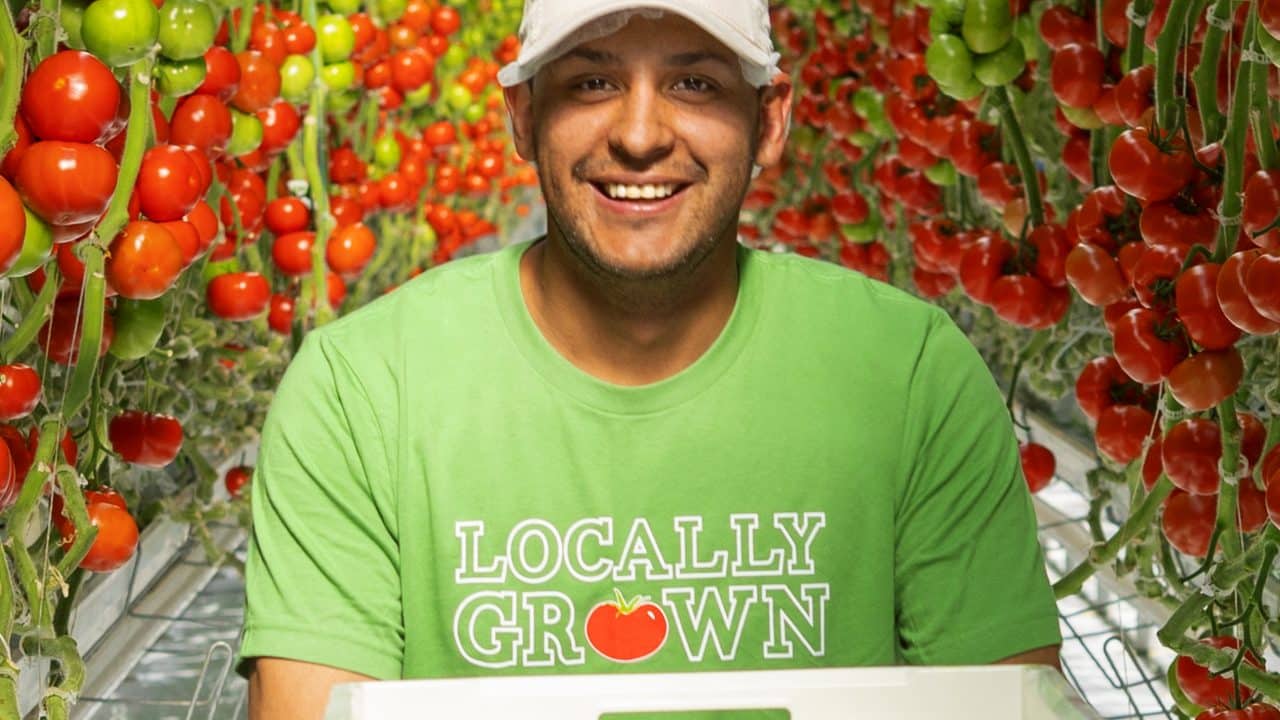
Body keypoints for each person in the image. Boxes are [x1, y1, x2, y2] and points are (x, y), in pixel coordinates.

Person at [237, 1, 1063, 717]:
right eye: (591, 82)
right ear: (523, 116)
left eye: (695, 83)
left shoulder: (912, 374)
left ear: (770, 121)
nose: (638, 135)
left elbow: (1004, 704)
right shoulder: (362, 390)